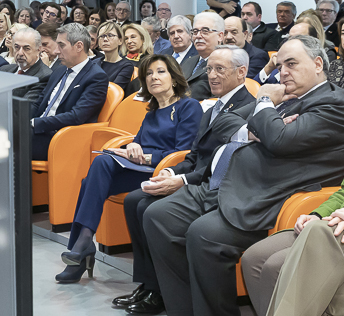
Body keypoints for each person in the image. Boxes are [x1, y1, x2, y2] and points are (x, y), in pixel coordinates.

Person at [143, 35, 344, 316]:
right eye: (280, 64)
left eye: (291, 64)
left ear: (318, 64)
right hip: (226, 183)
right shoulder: (284, 96)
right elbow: (224, 121)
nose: (283, 72)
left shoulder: (333, 104)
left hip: (268, 194)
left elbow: (280, 140)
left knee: (203, 235)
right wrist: (258, 127)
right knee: (158, 216)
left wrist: (264, 105)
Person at [117, 46, 255, 314]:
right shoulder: (212, 108)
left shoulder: (249, 109)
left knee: (149, 208)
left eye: (219, 70)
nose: (211, 76)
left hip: (217, 187)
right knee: (135, 200)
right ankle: (154, 286)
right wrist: (171, 172)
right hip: (195, 178)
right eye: (209, 69)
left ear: (241, 73)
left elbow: (224, 162)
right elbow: (194, 154)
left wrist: (182, 180)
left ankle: (165, 292)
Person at [56, 54, 202, 284]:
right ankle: (83, 244)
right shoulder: (152, 111)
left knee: (90, 182)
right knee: (101, 164)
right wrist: (132, 144)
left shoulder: (188, 106)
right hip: (139, 168)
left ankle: (81, 247)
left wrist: (146, 157)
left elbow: (183, 153)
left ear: (174, 78)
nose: (154, 77)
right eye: (149, 74)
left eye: (160, 71)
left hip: (160, 171)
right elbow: (139, 140)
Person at [242, 179, 344, 316]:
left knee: (276, 265)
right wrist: (317, 214)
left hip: (331, 230)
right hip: (336, 219)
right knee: (255, 258)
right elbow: (342, 194)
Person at [29, 23, 109, 161]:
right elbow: (40, 103)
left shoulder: (96, 77)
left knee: (10, 142)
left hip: (61, 137)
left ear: (79, 46)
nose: (56, 51)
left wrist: (35, 124)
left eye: (61, 45)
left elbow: (77, 116)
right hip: (39, 131)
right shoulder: (60, 69)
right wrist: (21, 120)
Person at [180, 12, 224, 100]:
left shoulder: (224, 64)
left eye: (205, 31)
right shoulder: (188, 61)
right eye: (195, 32)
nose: (198, 36)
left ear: (220, 36)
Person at [0, 28, 52, 101]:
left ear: (38, 49)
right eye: (17, 47)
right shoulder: (4, 70)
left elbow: (25, 109)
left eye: (26, 48)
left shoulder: (44, 76)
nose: (20, 53)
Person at [97, 22, 135, 92]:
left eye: (110, 35)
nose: (105, 39)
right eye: (101, 36)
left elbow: (113, 91)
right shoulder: (93, 63)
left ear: (120, 41)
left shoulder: (126, 66)